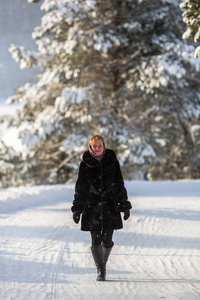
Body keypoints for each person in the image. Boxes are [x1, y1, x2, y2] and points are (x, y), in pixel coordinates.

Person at [71, 135, 132, 281]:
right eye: (94, 146)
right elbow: (80, 187)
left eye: (99, 146)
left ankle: (101, 263)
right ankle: (101, 270)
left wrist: (124, 204)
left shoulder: (112, 161)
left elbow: (119, 184)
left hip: (110, 206)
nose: (97, 149)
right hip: (91, 207)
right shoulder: (85, 164)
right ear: (90, 147)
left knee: (107, 240)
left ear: (103, 146)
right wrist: (77, 208)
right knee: (95, 240)